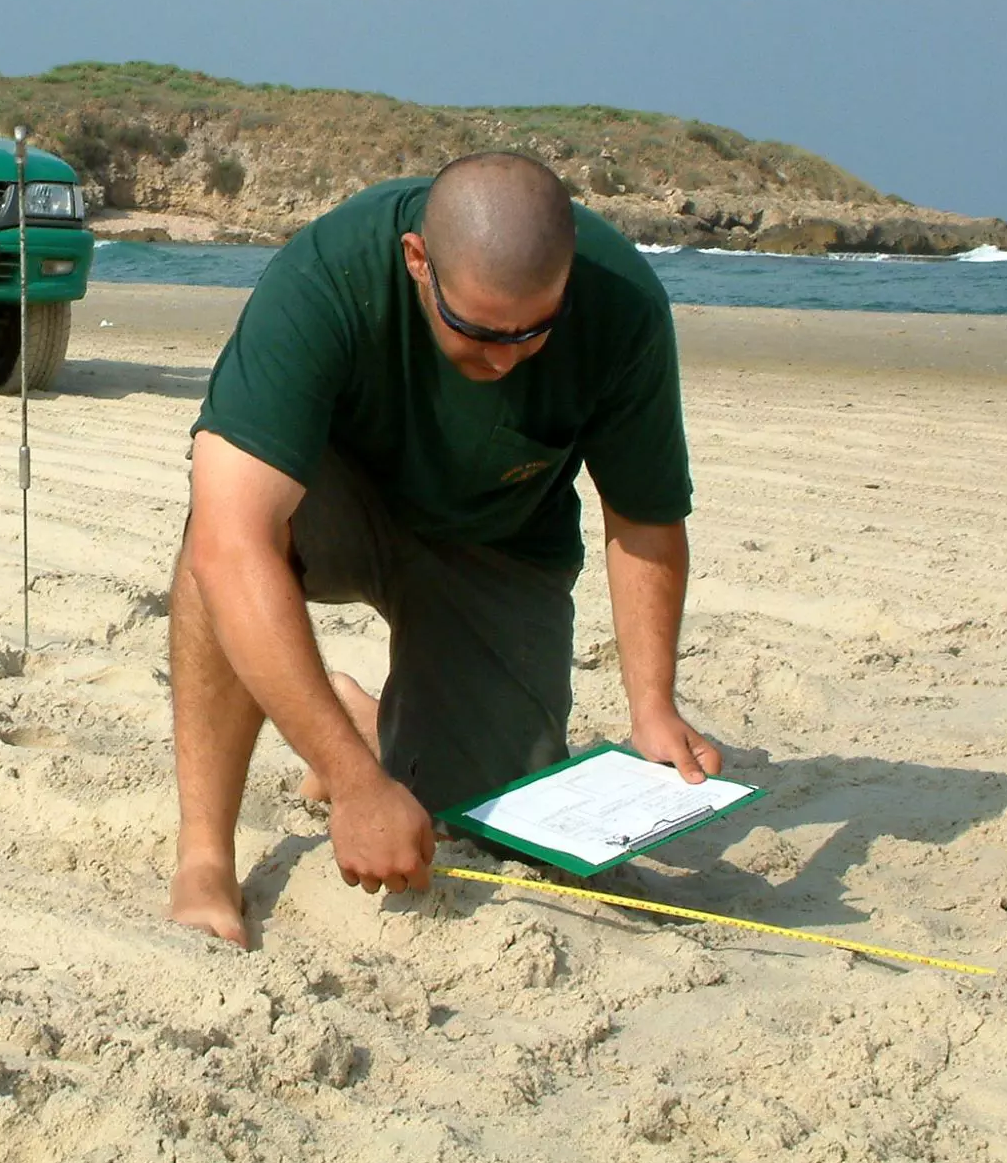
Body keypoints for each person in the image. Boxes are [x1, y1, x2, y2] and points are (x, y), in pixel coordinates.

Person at [168, 152, 723, 948]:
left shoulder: (623, 303)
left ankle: (358, 722)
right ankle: (205, 855)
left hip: (495, 538)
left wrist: (652, 707)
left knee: (487, 820)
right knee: (213, 553)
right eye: (479, 330)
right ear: (418, 263)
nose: (504, 357)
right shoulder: (324, 275)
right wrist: (360, 791)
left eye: (535, 331)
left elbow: (644, 517)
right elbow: (231, 544)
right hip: (337, 506)